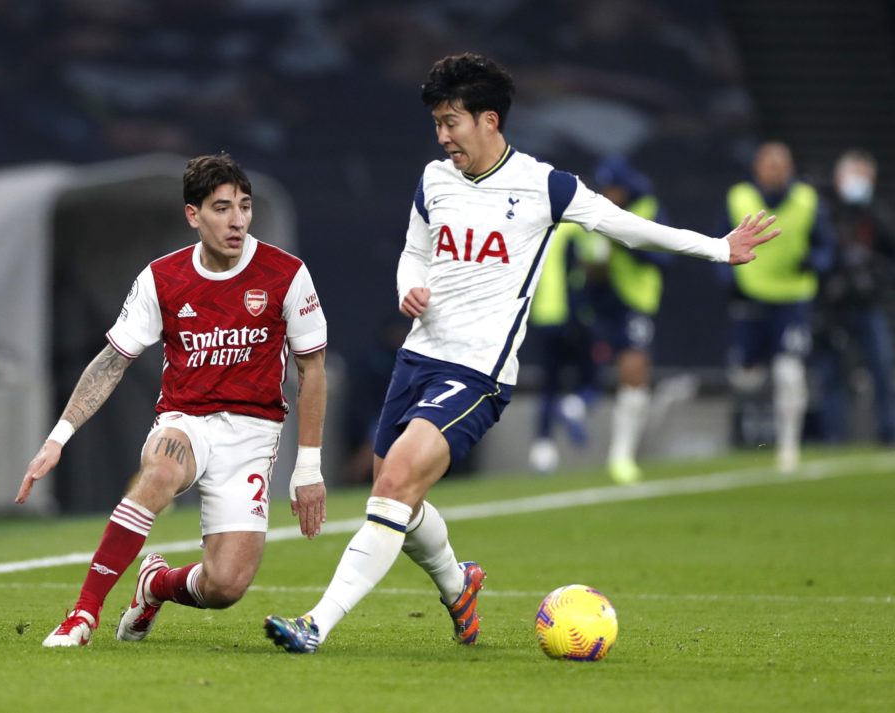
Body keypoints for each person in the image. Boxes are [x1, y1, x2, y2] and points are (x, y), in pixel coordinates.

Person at [264, 52, 778, 654]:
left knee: (395, 484)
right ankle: (460, 587)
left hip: (478, 372)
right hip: (418, 358)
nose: (442, 136)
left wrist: (718, 249)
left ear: (489, 120)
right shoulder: (434, 180)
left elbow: (625, 225)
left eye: (451, 122)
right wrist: (409, 286)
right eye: (436, 123)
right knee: (397, 494)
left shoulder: (544, 185)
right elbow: (414, 251)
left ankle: (316, 623)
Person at [15, 153, 329, 647]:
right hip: (187, 421)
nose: (238, 220)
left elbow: (312, 370)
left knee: (226, 586)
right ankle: (82, 615)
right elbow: (110, 361)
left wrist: (308, 468)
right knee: (159, 471)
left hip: (252, 436)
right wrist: (58, 438)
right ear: (193, 215)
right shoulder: (162, 278)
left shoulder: (286, 274)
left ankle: (154, 585)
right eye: (222, 208)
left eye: (244, 207)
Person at [722, 141, 834, 472]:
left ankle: (788, 448)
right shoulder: (738, 197)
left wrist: (813, 263)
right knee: (745, 378)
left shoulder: (807, 200)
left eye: (781, 163)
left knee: (789, 372)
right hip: (751, 296)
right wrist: (726, 281)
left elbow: (826, 248)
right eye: (769, 163)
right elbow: (717, 240)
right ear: (757, 167)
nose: (775, 169)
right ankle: (749, 435)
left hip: (792, 298)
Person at [565, 157, 674, 483]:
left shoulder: (648, 208)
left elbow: (664, 256)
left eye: (614, 187)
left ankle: (622, 455)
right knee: (595, 367)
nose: (610, 193)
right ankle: (580, 406)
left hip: (635, 302)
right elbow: (585, 258)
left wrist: (626, 242)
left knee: (634, 371)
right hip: (600, 301)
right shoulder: (595, 212)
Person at [812, 149, 895, 444]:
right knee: (831, 374)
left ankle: (889, 433)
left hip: (866, 305)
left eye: (864, 175)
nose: (858, 182)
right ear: (838, 178)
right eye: (853, 174)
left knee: (882, 368)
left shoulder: (876, 214)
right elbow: (815, 254)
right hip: (831, 307)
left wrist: (876, 278)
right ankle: (835, 437)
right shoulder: (823, 210)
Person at [525, 221, 598, 473]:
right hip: (569, 315)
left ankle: (543, 448)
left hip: (542, 316)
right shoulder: (574, 229)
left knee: (548, 384)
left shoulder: (538, 226)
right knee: (590, 376)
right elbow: (580, 271)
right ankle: (574, 405)